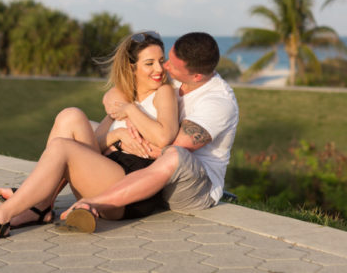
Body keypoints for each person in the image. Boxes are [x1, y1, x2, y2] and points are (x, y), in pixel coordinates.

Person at [0, 31, 179, 244]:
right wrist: (117, 135)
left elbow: (164, 137)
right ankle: (41, 206)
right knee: (70, 115)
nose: (158, 69)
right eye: (149, 63)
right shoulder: (125, 95)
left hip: (131, 188)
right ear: (131, 68)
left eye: (160, 61)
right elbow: (97, 143)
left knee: (62, 147)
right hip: (108, 171)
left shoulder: (163, 92)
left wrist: (130, 111)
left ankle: (1, 216)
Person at [61, 32, 239, 223]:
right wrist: (125, 120)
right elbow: (115, 94)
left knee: (173, 154)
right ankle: (43, 202)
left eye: (172, 65)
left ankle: (95, 203)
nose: (165, 66)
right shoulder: (178, 77)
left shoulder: (218, 102)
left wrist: (122, 139)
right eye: (167, 59)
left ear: (196, 76)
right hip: (153, 170)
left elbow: (167, 147)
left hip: (194, 187)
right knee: (83, 127)